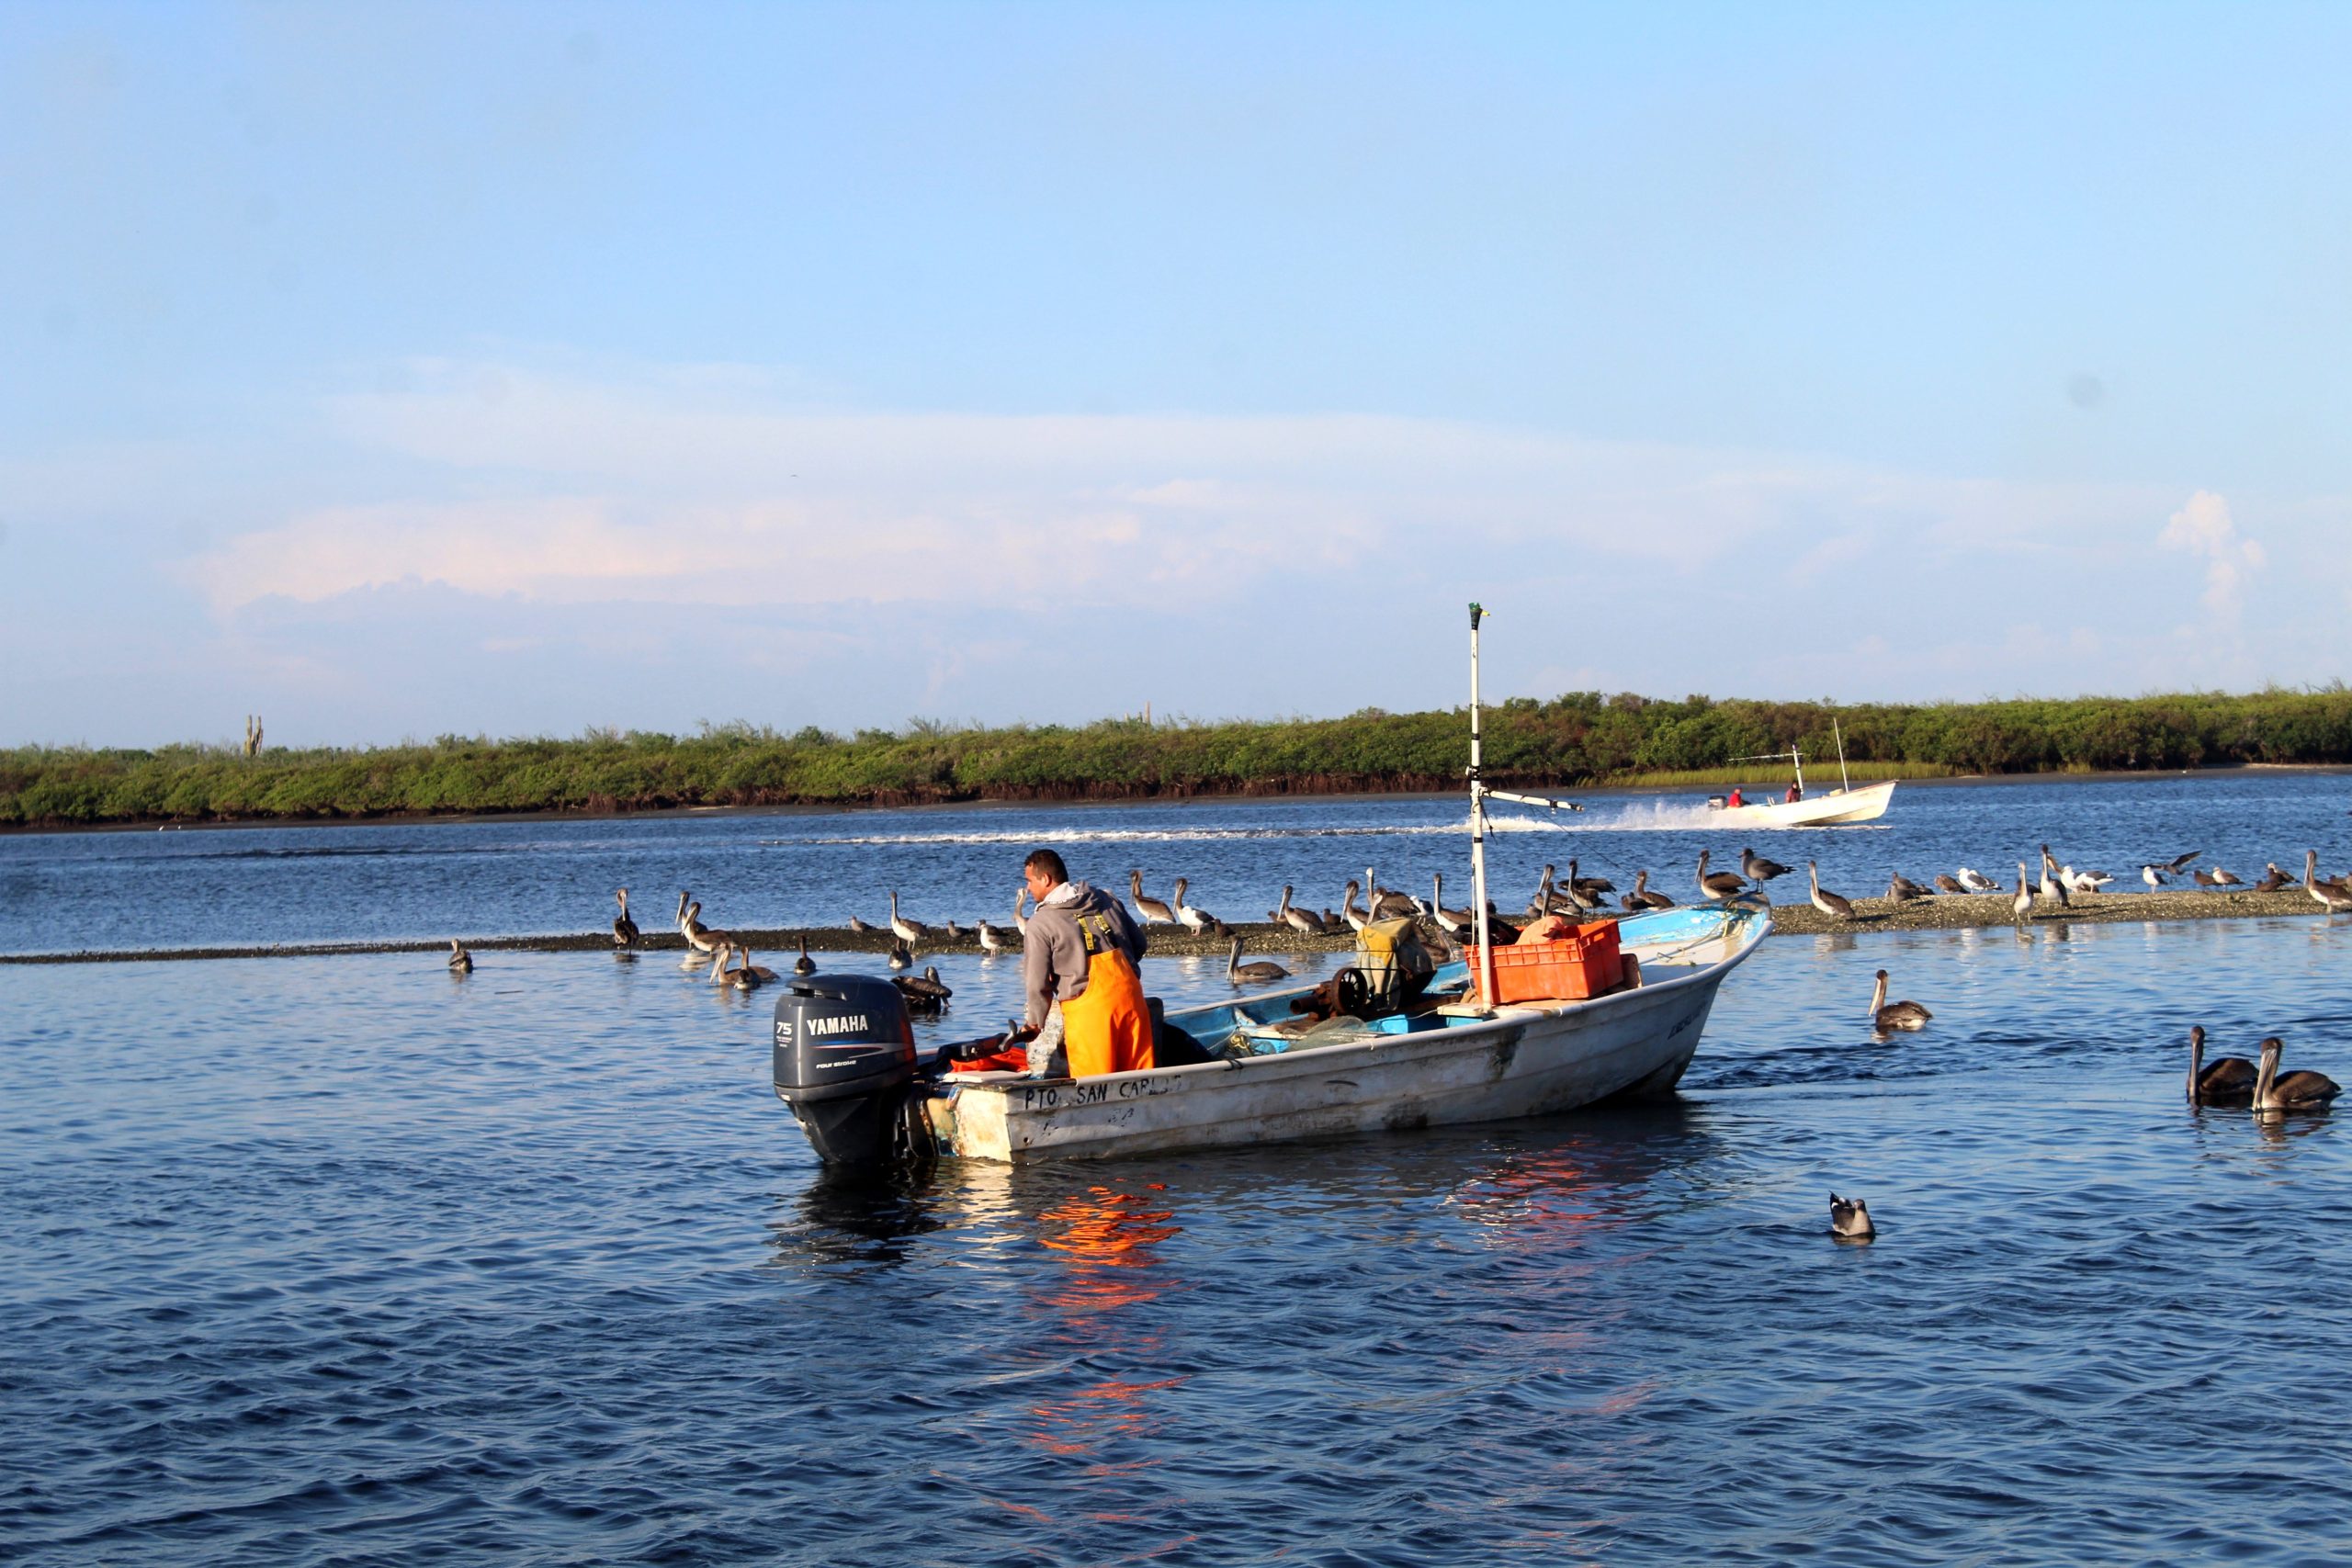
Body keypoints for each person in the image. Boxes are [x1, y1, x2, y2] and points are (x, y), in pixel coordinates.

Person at [1016, 848, 1153, 1079]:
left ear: (1046, 879)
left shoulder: (1040, 923)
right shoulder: (1106, 899)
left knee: (1093, 1085)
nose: (1028, 888)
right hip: (1131, 1002)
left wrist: (1033, 1024)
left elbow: (1036, 983)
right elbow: (1139, 945)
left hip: (1090, 1015)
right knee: (1139, 1082)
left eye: (1029, 881)